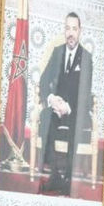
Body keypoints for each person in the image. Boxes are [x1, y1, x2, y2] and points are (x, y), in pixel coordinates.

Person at [38, 12, 93, 195]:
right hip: (56, 107)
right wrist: (52, 99)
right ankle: (54, 174)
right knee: (45, 116)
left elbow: (85, 93)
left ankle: (68, 178)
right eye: (68, 28)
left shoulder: (86, 58)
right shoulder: (57, 52)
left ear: (80, 31)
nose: (70, 33)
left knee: (77, 122)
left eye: (74, 29)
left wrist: (68, 107)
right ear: (64, 30)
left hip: (75, 110)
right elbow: (43, 81)